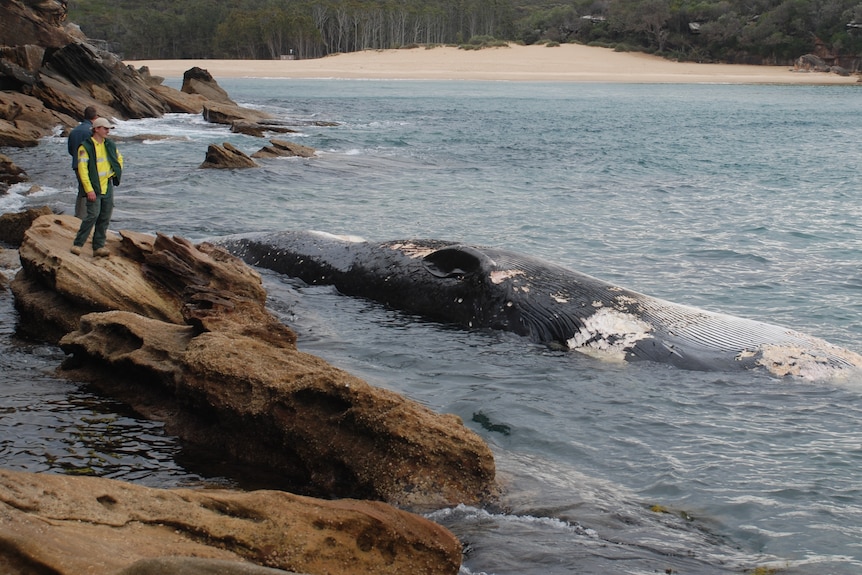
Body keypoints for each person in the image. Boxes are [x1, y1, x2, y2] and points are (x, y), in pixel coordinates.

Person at [70, 117, 123, 257]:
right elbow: (83, 170)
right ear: (96, 129)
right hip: (94, 187)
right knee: (92, 215)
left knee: (105, 216)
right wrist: (89, 189)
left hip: (107, 185)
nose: (108, 131)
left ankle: (98, 247)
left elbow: (119, 159)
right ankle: (78, 244)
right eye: (105, 129)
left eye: (109, 129)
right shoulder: (85, 147)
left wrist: (114, 173)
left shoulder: (109, 144)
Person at [67, 106, 98, 218]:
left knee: (82, 189)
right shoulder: (91, 131)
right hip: (88, 166)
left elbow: (70, 149)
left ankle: (78, 215)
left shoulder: (74, 131)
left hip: (76, 164)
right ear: (95, 117)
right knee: (89, 190)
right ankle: (86, 217)